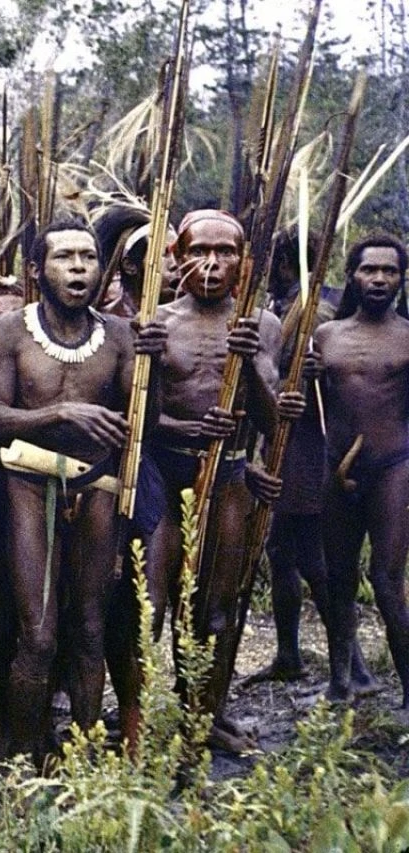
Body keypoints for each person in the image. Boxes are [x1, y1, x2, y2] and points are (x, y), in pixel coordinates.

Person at [0, 219, 164, 763]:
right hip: (29, 483)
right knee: (39, 636)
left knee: (89, 628)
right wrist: (61, 412)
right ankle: (24, 758)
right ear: (37, 270)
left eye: (88, 257)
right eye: (65, 257)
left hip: (98, 486)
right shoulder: (12, 330)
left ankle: (84, 760)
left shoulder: (120, 335)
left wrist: (151, 367)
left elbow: (143, 421)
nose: (80, 267)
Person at [119, 209, 281, 754]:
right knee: (150, 606)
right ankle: (138, 724)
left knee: (213, 608)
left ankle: (199, 720)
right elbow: (135, 420)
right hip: (165, 474)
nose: (211, 265)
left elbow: (271, 420)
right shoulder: (156, 321)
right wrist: (179, 421)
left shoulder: (262, 324)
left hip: (229, 474)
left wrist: (249, 361)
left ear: (243, 261)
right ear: (177, 257)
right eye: (198, 252)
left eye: (224, 252)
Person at [248, 231, 373, 686]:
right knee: (280, 550)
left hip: (308, 444)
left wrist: (301, 379)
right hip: (285, 440)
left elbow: (328, 378)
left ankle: (355, 668)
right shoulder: (287, 307)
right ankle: (289, 656)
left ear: (287, 263)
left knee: (313, 557)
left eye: (272, 264)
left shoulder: (317, 309)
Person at [312, 234, 409, 716]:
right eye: (370, 269)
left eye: (390, 271)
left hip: (392, 467)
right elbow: (305, 402)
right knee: (338, 578)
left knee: (386, 582)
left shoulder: (407, 336)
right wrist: (304, 373)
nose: (379, 279)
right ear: (351, 275)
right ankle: (340, 683)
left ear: (401, 280)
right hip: (335, 469)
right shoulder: (326, 336)